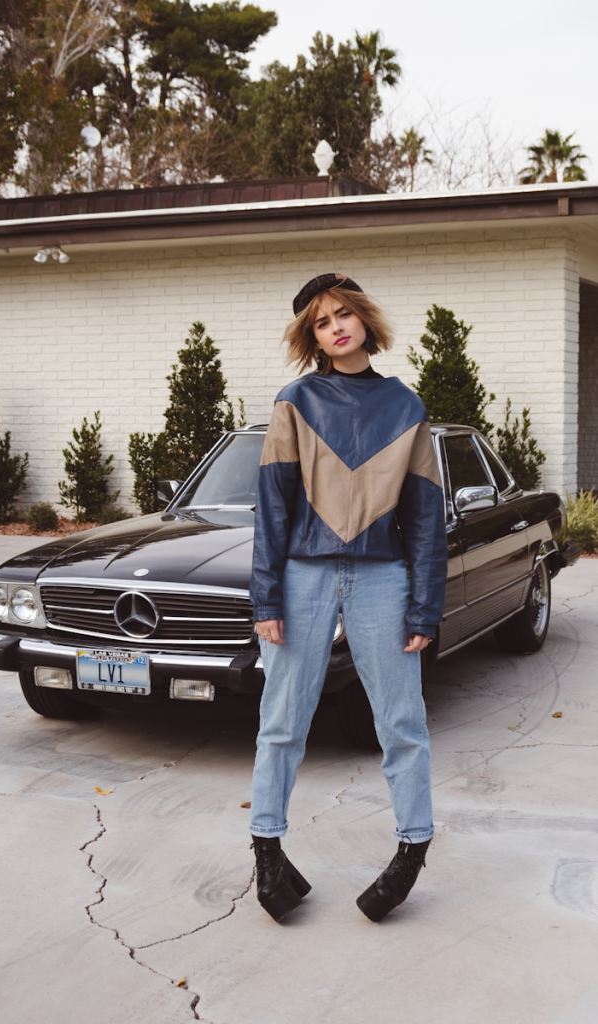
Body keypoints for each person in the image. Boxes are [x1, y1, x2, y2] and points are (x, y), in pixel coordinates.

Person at [248, 272, 448, 923]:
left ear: (362, 318)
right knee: (282, 721)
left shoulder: (404, 406)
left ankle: (413, 849)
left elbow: (423, 518)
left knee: (402, 722)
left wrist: (425, 605)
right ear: (311, 337)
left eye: (343, 314)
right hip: (303, 576)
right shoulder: (295, 400)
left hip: (383, 578)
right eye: (320, 322)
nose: (335, 327)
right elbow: (271, 510)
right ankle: (268, 854)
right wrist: (266, 599)